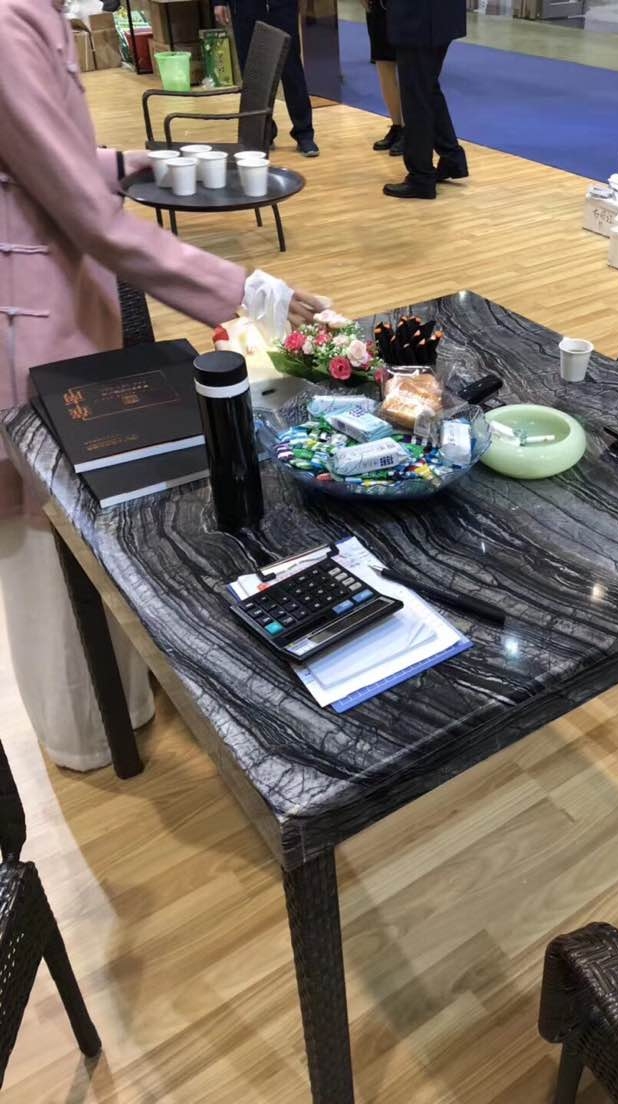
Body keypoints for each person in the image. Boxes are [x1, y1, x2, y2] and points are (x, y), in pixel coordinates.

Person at [0, 0, 327, 771]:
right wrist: (243, 290)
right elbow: (87, 214)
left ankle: (117, 691)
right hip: (25, 313)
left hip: (55, 298)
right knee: (47, 530)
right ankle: (88, 728)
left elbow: (49, 156)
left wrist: (135, 164)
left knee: (77, 512)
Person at [384, 0, 468, 200]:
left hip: (418, 17)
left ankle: (421, 176)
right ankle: (451, 158)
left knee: (416, 95)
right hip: (440, 14)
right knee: (426, 87)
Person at [214, 0, 319, 157]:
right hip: (243, 7)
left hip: (282, 6)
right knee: (252, 72)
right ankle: (264, 133)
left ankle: (304, 133)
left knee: (292, 70)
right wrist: (218, 2)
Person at [362, 0, 404, 158]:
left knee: (406, 67)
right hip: (378, 8)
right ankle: (397, 125)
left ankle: (409, 129)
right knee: (383, 64)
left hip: (406, 10)